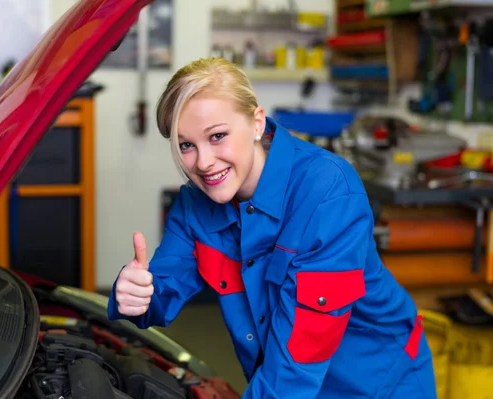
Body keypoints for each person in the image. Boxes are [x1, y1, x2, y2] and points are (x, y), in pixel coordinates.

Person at [107, 57, 437, 398]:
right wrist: (135, 295)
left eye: (217, 136)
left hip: (378, 382)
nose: (203, 163)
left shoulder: (326, 192)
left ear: (256, 123)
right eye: (186, 145)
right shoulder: (195, 204)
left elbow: (298, 358)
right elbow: (162, 289)